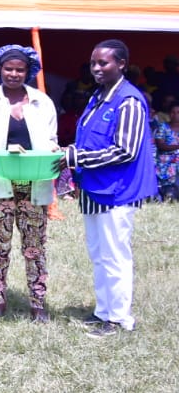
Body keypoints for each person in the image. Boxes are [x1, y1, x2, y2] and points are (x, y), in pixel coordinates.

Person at [65, 39, 158, 338]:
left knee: (116, 255)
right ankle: (103, 311)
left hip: (117, 191)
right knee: (99, 254)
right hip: (94, 188)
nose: (96, 68)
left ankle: (118, 319)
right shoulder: (99, 95)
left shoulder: (129, 101)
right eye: (93, 63)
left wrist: (75, 158)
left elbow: (125, 150)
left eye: (103, 63)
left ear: (122, 64)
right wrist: (71, 155)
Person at [0, 45, 59, 322]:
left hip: (34, 184)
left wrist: (54, 153)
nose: (13, 74)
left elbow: (52, 140)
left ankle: (38, 303)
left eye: (19, 69)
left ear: (28, 71)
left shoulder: (42, 102)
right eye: (8, 69)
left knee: (35, 246)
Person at [152, 99, 179, 202]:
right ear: (169, 114)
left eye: (178, 112)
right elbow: (161, 145)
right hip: (166, 166)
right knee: (169, 194)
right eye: (172, 112)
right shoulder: (163, 127)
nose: (175, 115)